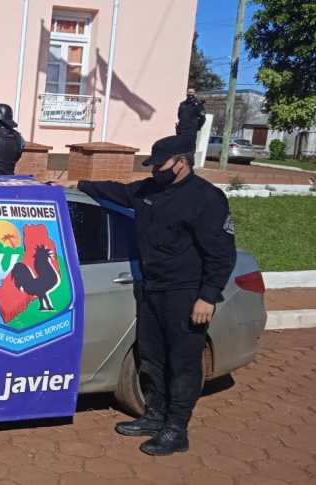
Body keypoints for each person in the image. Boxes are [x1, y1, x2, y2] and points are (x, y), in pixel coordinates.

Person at [74, 134, 236, 456]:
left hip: (185, 293)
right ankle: (154, 416)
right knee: (152, 357)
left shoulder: (206, 198)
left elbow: (221, 254)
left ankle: (176, 429)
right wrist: (80, 185)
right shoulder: (149, 190)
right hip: (152, 289)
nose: (154, 171)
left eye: (160, 165)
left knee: (182, 363)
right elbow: (117, 192)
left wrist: (207, 296)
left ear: (181, 162)